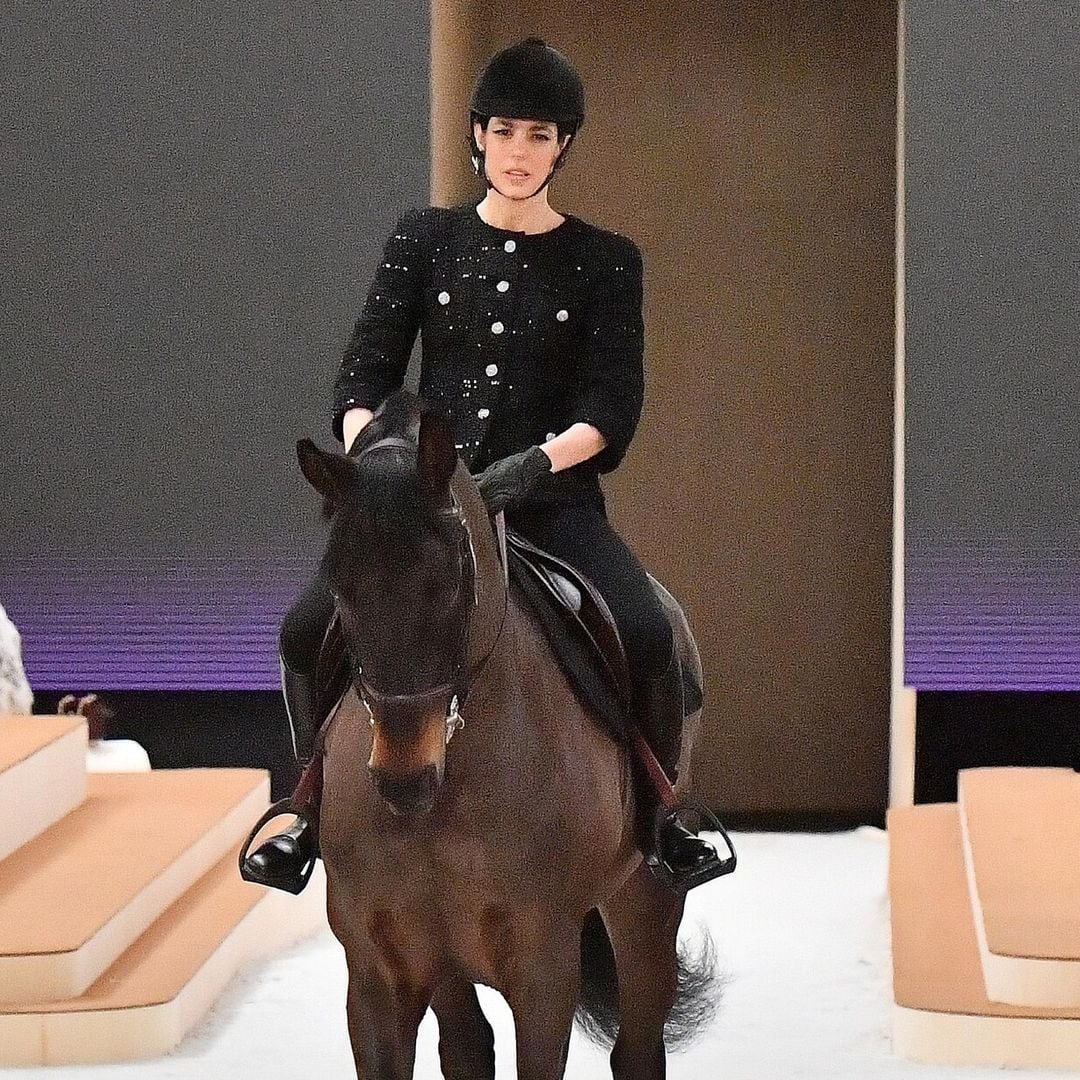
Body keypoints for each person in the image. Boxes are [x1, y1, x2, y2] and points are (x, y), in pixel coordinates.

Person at [242, 37, 723, 894]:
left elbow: (613, 410)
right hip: (422, 506)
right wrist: (377, 472)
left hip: (552, 502)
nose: (520, 152)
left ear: (563, 145)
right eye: (505, 132)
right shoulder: (423, 238)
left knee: (646, 629)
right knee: (301, 627)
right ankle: (303, 808)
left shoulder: (606, 259)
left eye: (540, 136)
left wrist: (534, 466)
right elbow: (363, 375)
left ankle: (663, 817)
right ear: (478, 135)